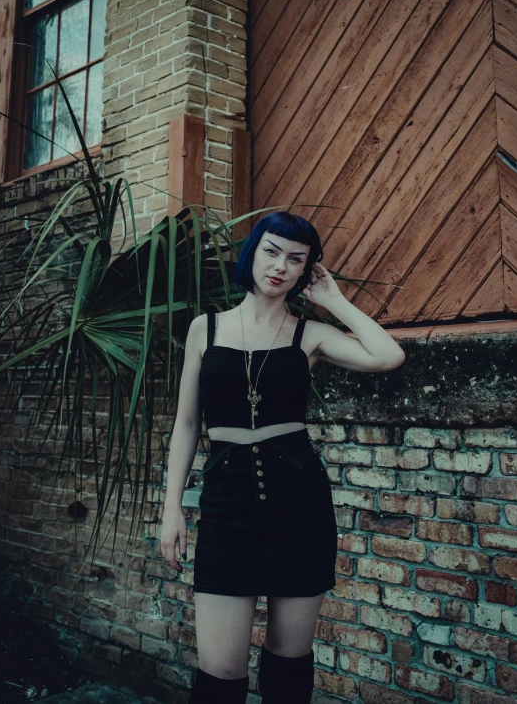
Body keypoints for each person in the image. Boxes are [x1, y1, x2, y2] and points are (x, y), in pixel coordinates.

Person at [160, 212, 405, 703]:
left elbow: (387, 354)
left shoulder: (308, 335)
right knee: (219, 672)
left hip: (300, 509)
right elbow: (187, 424)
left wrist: (333, 300)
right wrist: (172, 508)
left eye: (297, 260)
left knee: (288, 665)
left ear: (306, 272)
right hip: (227, 507)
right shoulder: (203, 330)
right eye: (271, 251)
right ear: (252, 253)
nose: (280, 266)